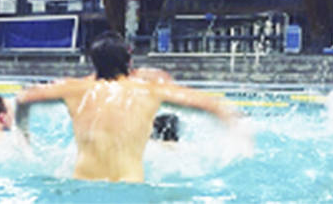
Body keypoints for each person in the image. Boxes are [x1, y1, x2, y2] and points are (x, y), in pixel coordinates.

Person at [15, 32, 241, 182]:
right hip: (130, 189)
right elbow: (212, 106)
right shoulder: (149, 90)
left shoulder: (72, 88)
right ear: (129, 62)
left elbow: (22, 99)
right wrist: (238, 136)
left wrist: (24, 136)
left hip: (82, 185)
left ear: (93, 62)